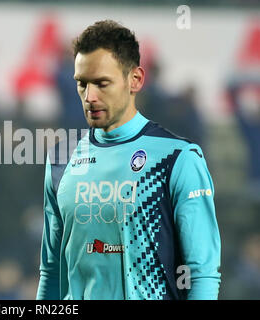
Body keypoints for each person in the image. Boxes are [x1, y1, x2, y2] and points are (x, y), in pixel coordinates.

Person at [36, 20, 221, 300]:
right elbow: (51, 272)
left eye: (102, 83)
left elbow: (203, 274)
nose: (90, 96)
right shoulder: (62, 159)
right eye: (82, 83)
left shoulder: (178, 158)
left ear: (135, 80)